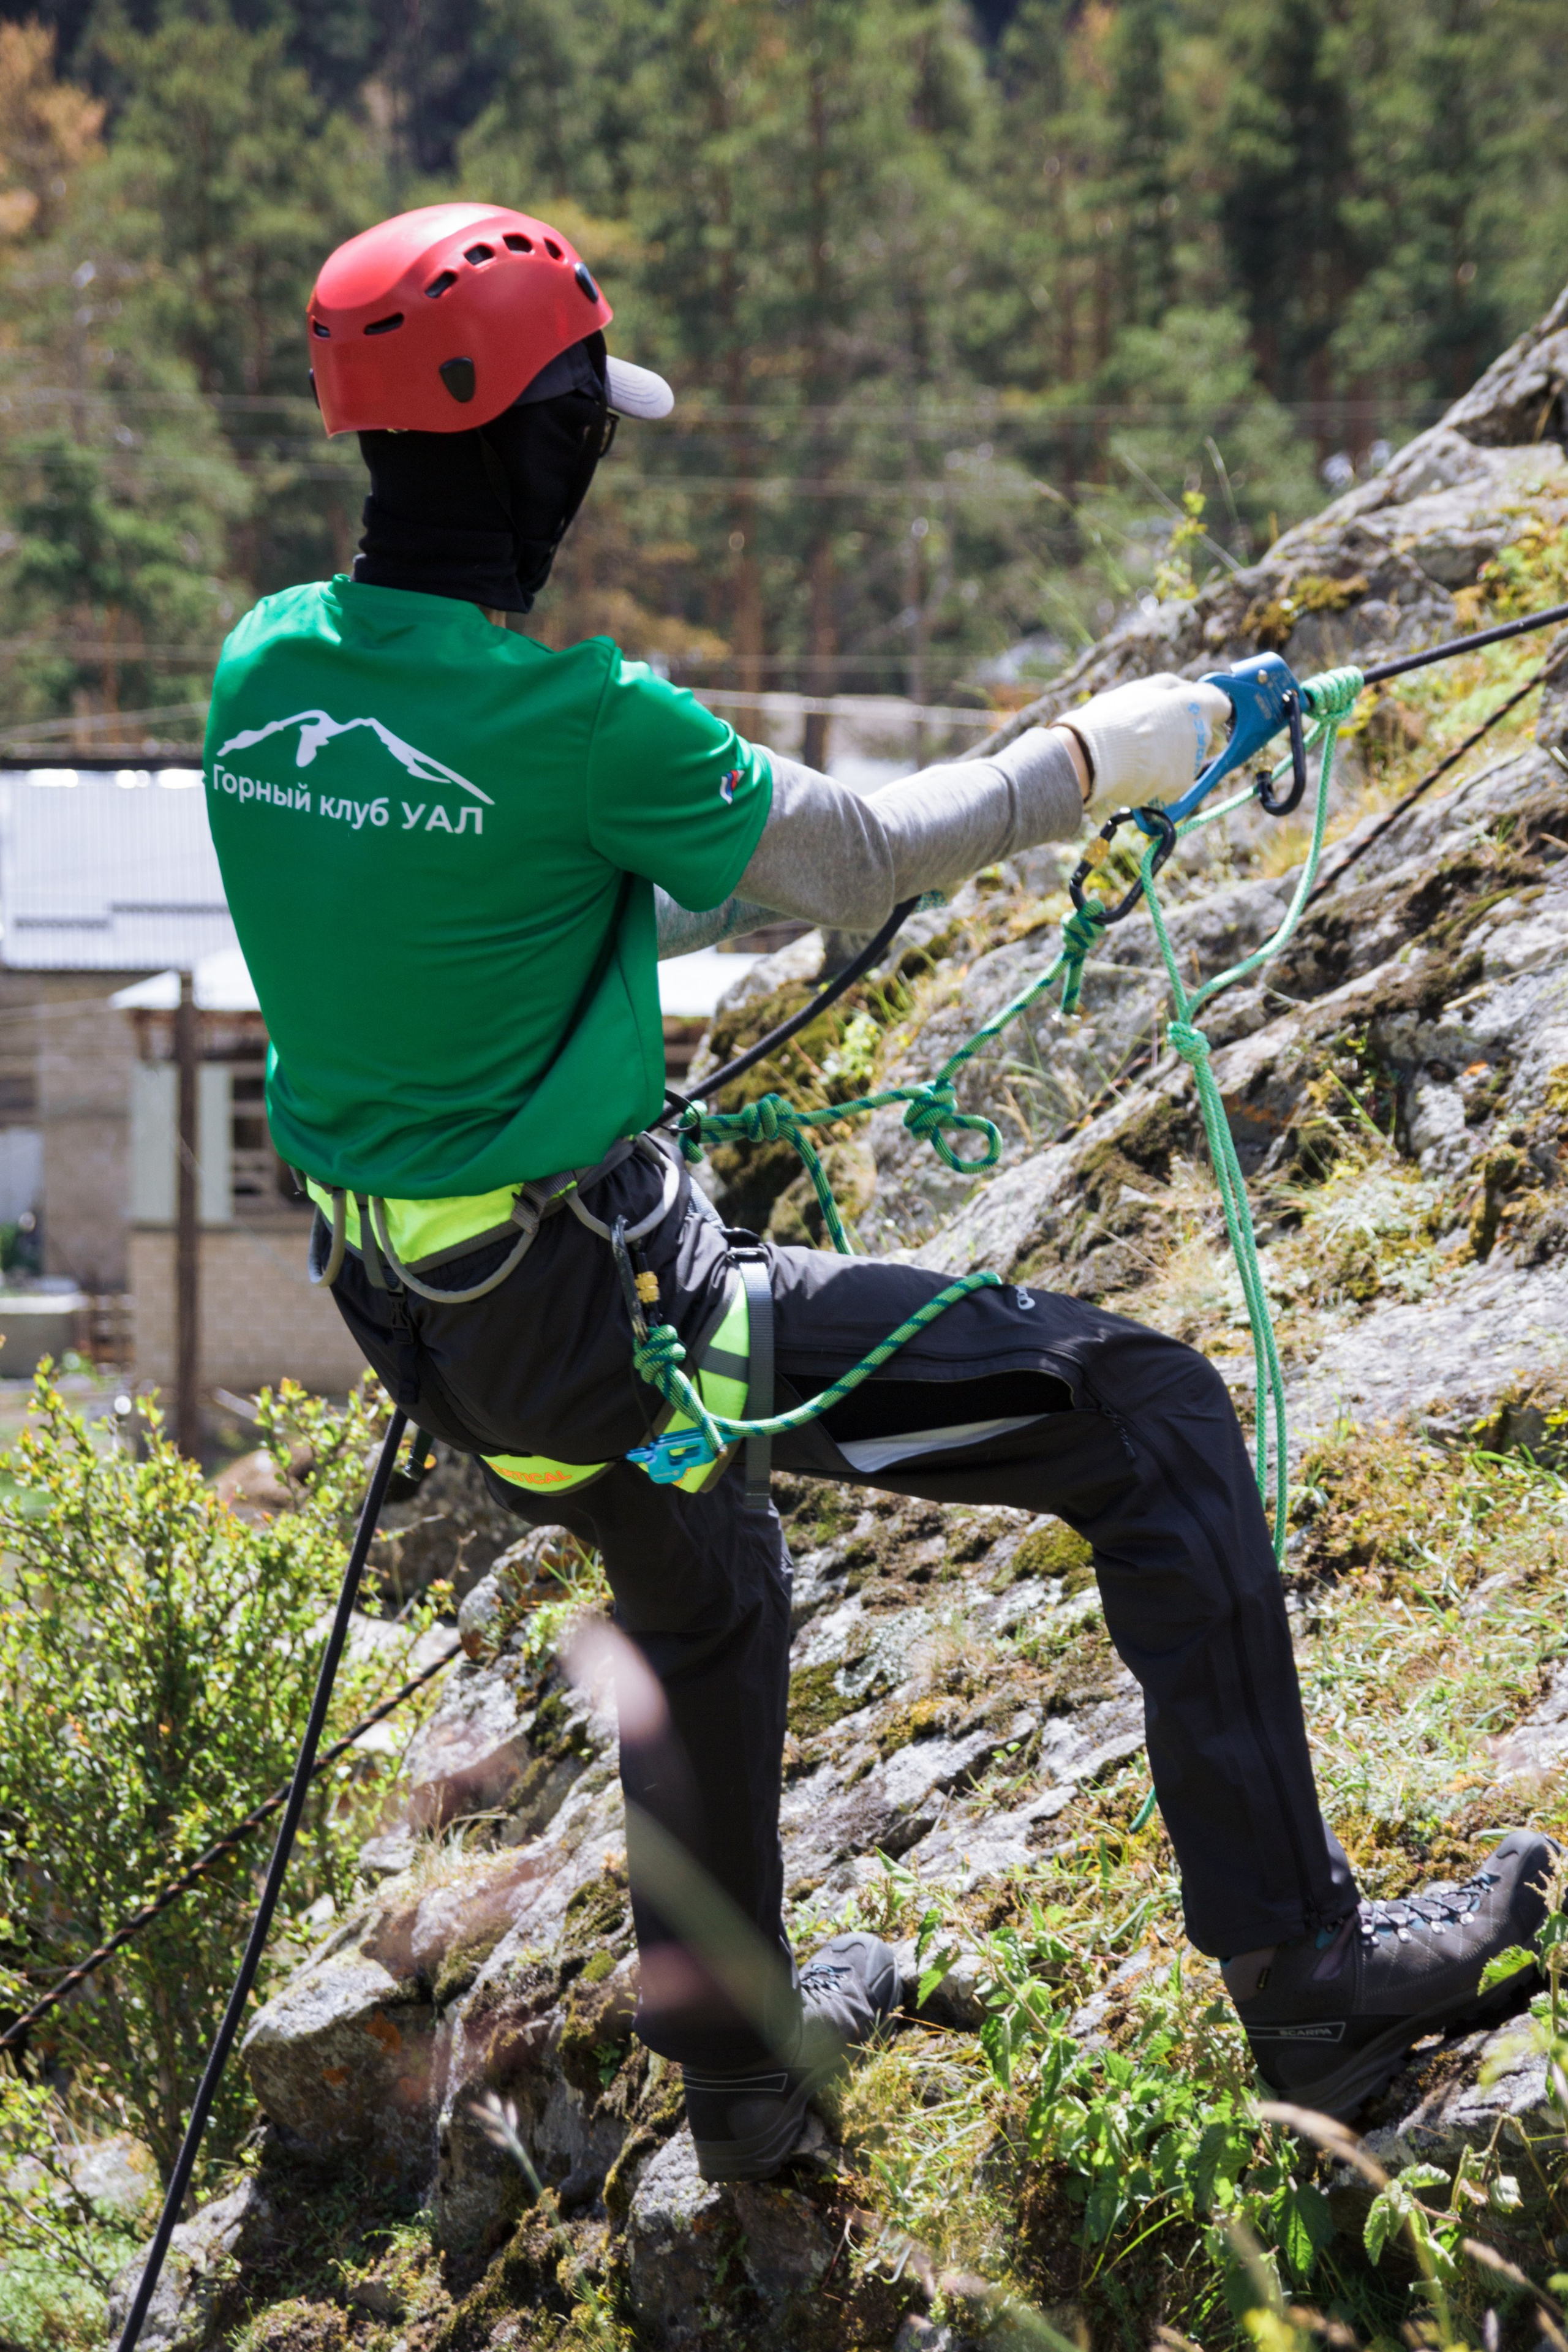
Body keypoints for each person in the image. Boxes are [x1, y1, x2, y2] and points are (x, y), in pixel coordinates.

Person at [203, 203, 1553, 2182]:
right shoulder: (581, 726)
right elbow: (850, 857)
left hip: (431, 1324)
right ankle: (1315, 1985)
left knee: (708, 1593)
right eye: (587, 425)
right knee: (1155, 1423)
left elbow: (479, 879)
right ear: (537, 437)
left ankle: (745, 2079)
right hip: (599, 1321)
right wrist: (1123, 746)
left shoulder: (265, 680)